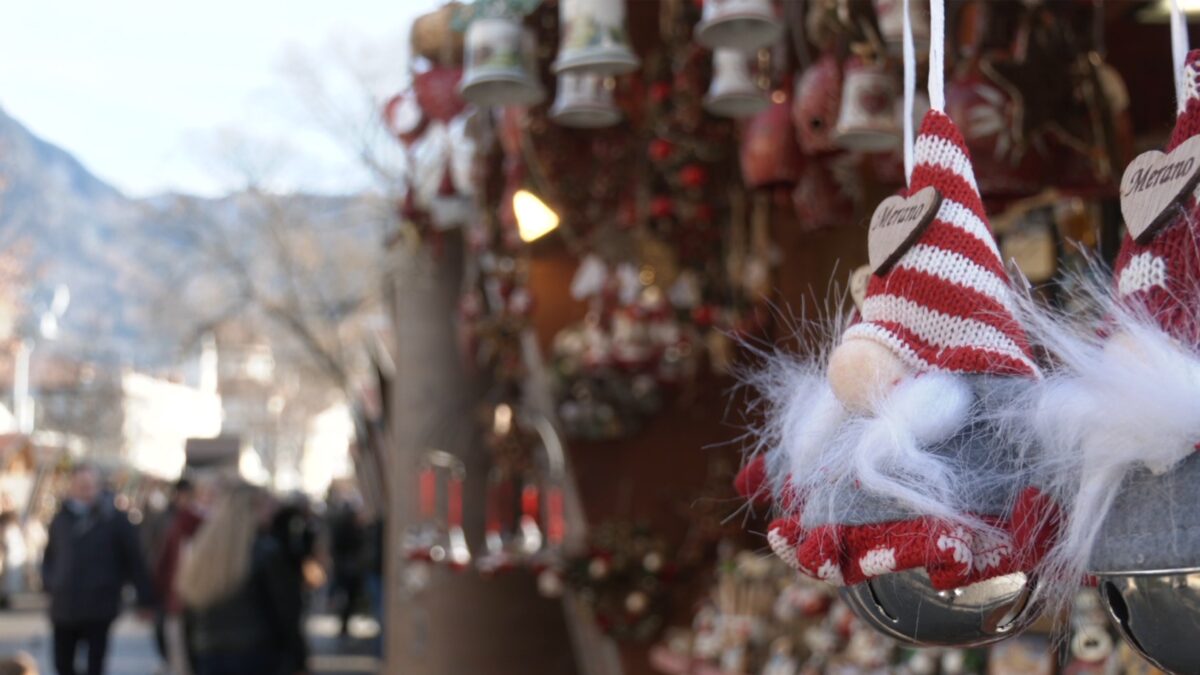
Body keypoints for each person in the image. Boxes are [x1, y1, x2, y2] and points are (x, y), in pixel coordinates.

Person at [176, 484, 307, 675]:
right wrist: (298, 657)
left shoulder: (204, 553)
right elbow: (286, 612)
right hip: (256, 652)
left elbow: (190, 613)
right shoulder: (264, 552)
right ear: (254, 509)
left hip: (210, 652)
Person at [42, 464, 155, 675]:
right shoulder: (61, 518)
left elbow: (135, 559)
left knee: (95, 665)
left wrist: (145, 597)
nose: (86, 491)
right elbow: (50, 556)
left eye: (90, 486)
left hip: (99, 604)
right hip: (64, 605)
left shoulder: (115, 519)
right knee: (62, 664)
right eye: (81, 486)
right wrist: (50, 583)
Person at [326, 497, 365, 638]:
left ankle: (342, 621)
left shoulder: (340, 526)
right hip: (348, 566)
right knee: (347, 597)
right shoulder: (352, 529)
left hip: (344, 566)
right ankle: (343, 621)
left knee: (344, 595)